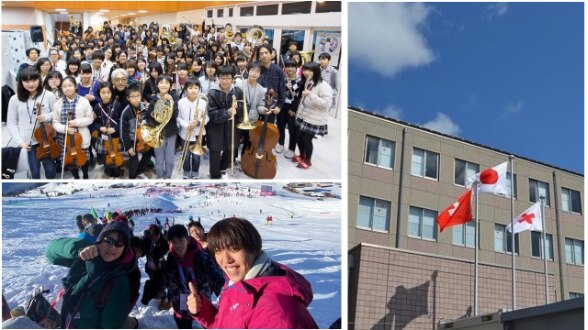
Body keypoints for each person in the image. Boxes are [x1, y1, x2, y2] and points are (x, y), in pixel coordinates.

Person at [186, 217, 318, 328]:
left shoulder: (274, 313)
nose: (226, 260)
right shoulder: (239, 282)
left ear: (253, 248)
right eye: (218, 251)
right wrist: (202, 310)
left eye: (234, 248)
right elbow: (225, 323)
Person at [44, 221, 140, 328]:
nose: (112, 247)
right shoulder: (87, 258)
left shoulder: (119, 284)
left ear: (125, 249)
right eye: (108, 240)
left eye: (119, 243)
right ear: (99, 241)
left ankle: (132, 323)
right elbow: (50, 252)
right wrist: (79, 249)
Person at [162, 225, 225, 329]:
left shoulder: (201, 256)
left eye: (181, 240)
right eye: (174, 242)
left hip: (202, 299)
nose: (178, 245)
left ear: (187, 240)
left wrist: (225, 298)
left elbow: (217, 279)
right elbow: (162, 282)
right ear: (169, 243)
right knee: (184, 323)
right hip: (181, 301)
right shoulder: (167, 262)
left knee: (208, 324)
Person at [6, 67, 57, 179]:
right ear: (21, 82)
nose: (31, 84)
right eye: (27, 81)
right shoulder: (14, 99)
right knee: (34, 171)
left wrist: (46, 116)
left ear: (39, 80)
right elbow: (11, 123)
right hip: (28, 142)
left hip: (46, 139)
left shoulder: (48, 95)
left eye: (34, 80)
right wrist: (20, 142)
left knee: (50, 170)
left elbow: (56, 114)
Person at [293, 62, 333, 169]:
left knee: (306, 139)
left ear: (316, 71)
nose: (306, 72)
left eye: (309, 70)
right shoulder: (308, 81)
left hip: (315, 118)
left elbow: (327, 104)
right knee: (298, 137)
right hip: (304, 115)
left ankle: (308, 160)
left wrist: (311, 95)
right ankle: (302, 155)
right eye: (305, 70)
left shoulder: (324, 86)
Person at [205, 65, 243, 179]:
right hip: (215, 129)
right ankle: (215, 175)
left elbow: (245, 107)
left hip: (232, 128)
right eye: (222, 77)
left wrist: (238, 107)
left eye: (228, 78)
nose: (225, 81)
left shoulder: (238, 91)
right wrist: (228, 112)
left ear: (232, 78)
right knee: (215, 152)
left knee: (230, 150)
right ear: (218, 78)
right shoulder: (212, 93)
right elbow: (212, 114)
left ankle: (222, 169)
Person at [53, 76, 94, 179]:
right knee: (70, 161)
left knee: (84, 159)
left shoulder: (84, 101)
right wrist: (65, 129)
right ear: (61, 88)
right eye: (64, 86)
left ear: (75, 86)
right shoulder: (58, 104)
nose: (67, 88)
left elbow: (90, 119)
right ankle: (76, 177)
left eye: (70, 85)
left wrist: (76, 122)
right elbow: (55, 122)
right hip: (65, 139)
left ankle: (85, 175)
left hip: (81, 138)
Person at [143, 74, 178, 179]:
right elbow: (150, 117)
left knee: (170, 159)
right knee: (159, 159)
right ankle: (160, 177)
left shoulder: (174, 97)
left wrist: (170, 102)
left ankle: (168, 177)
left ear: (170, 86)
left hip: (171, 133)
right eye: (161, 83)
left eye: (166, 83)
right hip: (157, 134)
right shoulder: (153, 99)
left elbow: (175, 115)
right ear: (157, 85)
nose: (164, 85)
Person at [120, 83, 154, 179]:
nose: (136, 98)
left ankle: (140, 172)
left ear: (141, 96)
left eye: (138, 96)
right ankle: (133, 177)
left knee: (147, 155)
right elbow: (123, 132)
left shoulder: (145, 108)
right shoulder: (126, 113)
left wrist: (146, 122)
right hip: (132, 141)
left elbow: (151, 121)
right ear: (128, 98)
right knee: (133, 163)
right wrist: (128, 147)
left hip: (144, 138)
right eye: (133, 96)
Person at [177, 79, 208, 179]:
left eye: (196, 88)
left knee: (196, 156)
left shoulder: (203, 102)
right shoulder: (181, 102)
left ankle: (195, 173)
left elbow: (206, 117)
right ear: (186, 90)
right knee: (185, 156)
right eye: (190, 88)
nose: (193, 90)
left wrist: (198, 122)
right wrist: (186, 125)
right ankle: (186, 172)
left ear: (199, 89)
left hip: (198, 133)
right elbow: (178, 117)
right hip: (184, 133)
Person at [93, 81, 124, 177]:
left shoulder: (117, 105)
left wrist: (115, 128)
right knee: (105, 158)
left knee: (116, 157)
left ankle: (117, 169)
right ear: (99, 93)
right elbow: (95, 122)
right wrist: (100, 128)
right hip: (103, 137)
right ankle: (108, 169)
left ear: (112, 93)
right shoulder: (97, 107)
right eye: (103, 93)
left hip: (114, 137)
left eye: (108, 92)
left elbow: (122, 121)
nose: (106, 95)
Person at [277, 59, 302, 159]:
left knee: (293, 129)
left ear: (296, 68)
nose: (290, 69)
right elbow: (279, 92)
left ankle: (291, 149)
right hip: (282, 106)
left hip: (292, 108)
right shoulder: (282, 78)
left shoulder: (300, 80)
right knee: (280, 126)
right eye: (288, 66)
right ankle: (281, 143)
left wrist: (294, 109)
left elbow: (299, 97)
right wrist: (285, 86)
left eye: (292, 66)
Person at [256, 44, 286, 125]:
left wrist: (279, 106)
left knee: (268, 131)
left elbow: (282, 89)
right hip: (256, 105)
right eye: (261, 54)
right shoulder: (256, 69)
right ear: (259, 56)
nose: (264, 55)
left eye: (266, 53)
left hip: (271, 106)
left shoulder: (278, 70)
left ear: (271, 54)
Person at [141, 224, 169, 305]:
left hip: (161, 270)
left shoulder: (164, 243)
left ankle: (165, 299)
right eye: (152, 235)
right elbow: (142, 252)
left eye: (157, 234)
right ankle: (162, 297)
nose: (155, 237)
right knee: (155, 288)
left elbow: (161, 253)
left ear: (160, 233)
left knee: (160, 288)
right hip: (151, 269)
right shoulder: (148, 242)